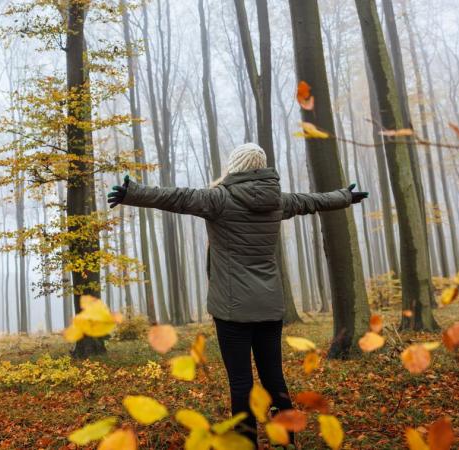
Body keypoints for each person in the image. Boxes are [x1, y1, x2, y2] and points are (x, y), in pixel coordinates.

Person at [107, 143, 368, 446]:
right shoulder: (277, 200)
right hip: (269, 306)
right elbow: (313, 201)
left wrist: (132, 193)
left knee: (241, 384)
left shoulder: (219, 198)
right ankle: (288, 441)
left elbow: (175, 198)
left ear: (234, 166)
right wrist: (345, 197)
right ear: (261, 166)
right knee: (273, 378)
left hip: (232, 311)